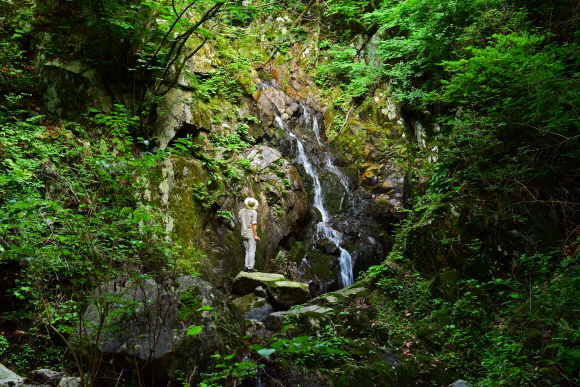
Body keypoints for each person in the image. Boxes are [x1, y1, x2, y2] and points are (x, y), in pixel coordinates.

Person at [239, 198, 261, 272]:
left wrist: (243, 230)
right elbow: (253, 225)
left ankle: (246, 266)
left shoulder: (241, 211)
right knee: (251, 250)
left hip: (243, 233)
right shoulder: (253, 212)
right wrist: (255, 236)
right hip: (250, 234)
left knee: (247, 250)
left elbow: (240, 223)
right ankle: (250, 268)